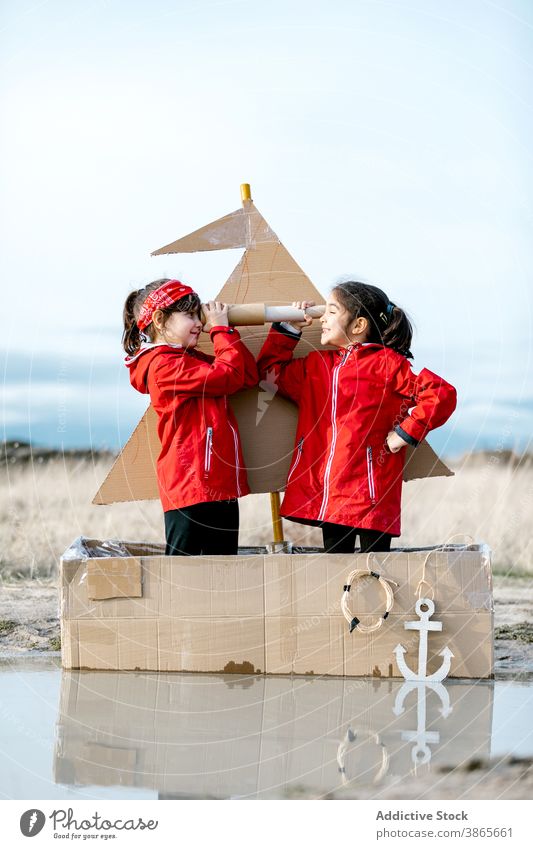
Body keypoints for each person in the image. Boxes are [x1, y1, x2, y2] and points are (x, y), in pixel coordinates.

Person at [256, 281, 457, 553]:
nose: (322, 318)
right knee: (337, 571)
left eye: (331, 311)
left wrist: (404, 433)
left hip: (371, 494)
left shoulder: (388, 364)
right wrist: (289, 328)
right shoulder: (317, 366)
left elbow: (441, 394)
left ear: (358, 325)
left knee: (375, 572)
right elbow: (269, 373)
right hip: (330, 494)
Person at [123, 278, 258, 556]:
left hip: (217, 483)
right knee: (183, 578)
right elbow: (228, 376)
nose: (199, 322)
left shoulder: (191, 359)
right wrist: (219, 328)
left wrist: (232, 331)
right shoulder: (163, 366)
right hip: (191, 485)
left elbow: (246, 375)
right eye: (189, 315)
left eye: (200, 315)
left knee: (223, 574)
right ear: (160, 320)